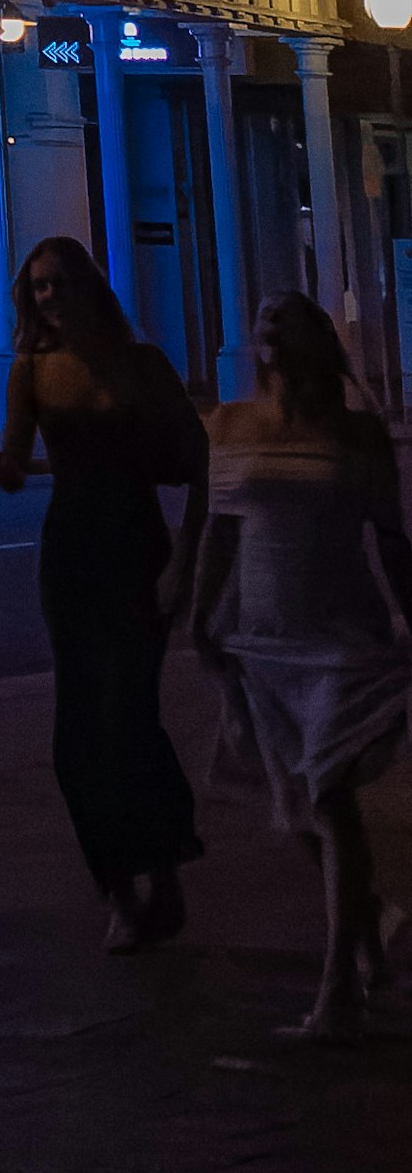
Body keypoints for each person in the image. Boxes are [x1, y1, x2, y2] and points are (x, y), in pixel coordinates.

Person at [187, 291, 412, 1045]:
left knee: (330, 796)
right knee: (295, 808)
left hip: (340, 637)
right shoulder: (230, 424)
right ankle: (369, 922)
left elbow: (390, 538)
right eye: (263, 316)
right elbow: (219, 531)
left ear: (317, 340)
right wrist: (199, 614)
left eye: (288, 315)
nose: (270, 322)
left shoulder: (356, 434)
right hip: (262, 636)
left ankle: (337, 988)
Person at [0, 231, 209, 949]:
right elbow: (20, 463)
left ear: (85, 286)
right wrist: (1, 469)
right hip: (72, 553)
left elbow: (200, 466)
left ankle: (164, 869)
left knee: (130, 719)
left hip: (137, 546)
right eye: (38, 287)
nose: (48, 298)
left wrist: (187, 564)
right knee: (76, 733)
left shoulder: (141, 365)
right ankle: (117, 885)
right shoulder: (31, 372)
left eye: (58, 284)